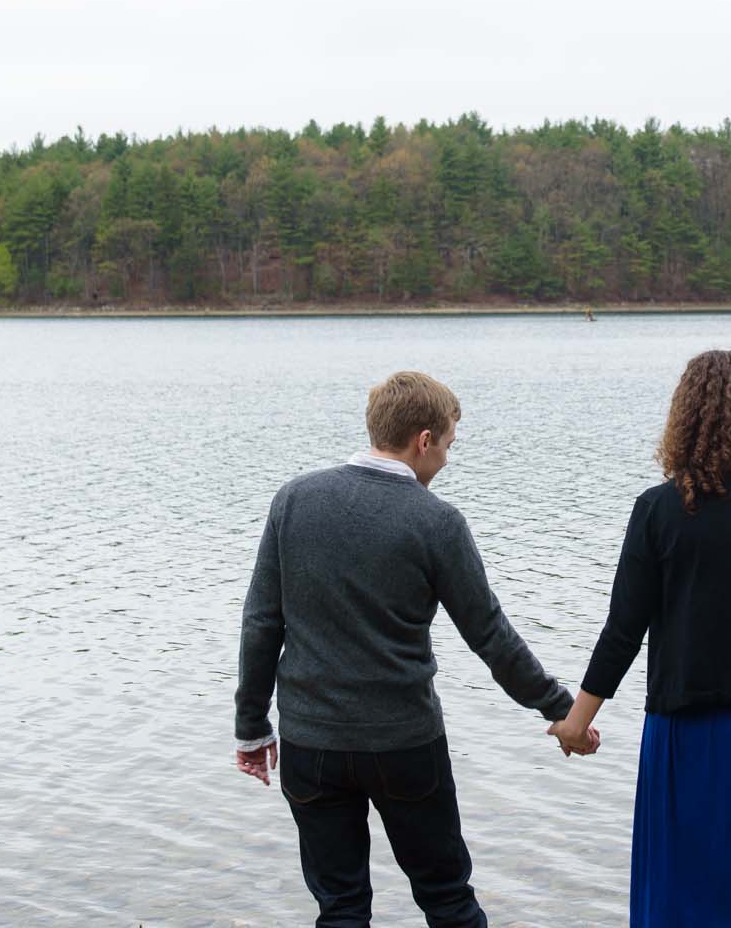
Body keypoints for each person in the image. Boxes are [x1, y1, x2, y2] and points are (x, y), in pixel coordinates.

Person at [234, 370, 596, 927]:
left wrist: (252, 728)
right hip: (403, 744)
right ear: (423, 440)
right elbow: (490, 637)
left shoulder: (294, 500)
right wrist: (562, 710)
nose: (447, 459)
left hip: (311, 743)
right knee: (447, 898)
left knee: (340, 907)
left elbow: (262, 621)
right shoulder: (437, 522)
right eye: (448, 445)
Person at [552, 349, 731, 928]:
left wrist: (577, 723)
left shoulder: (659, 510)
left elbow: (623, 630)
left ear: (684, 418)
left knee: (678, 909)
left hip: (689, 739)